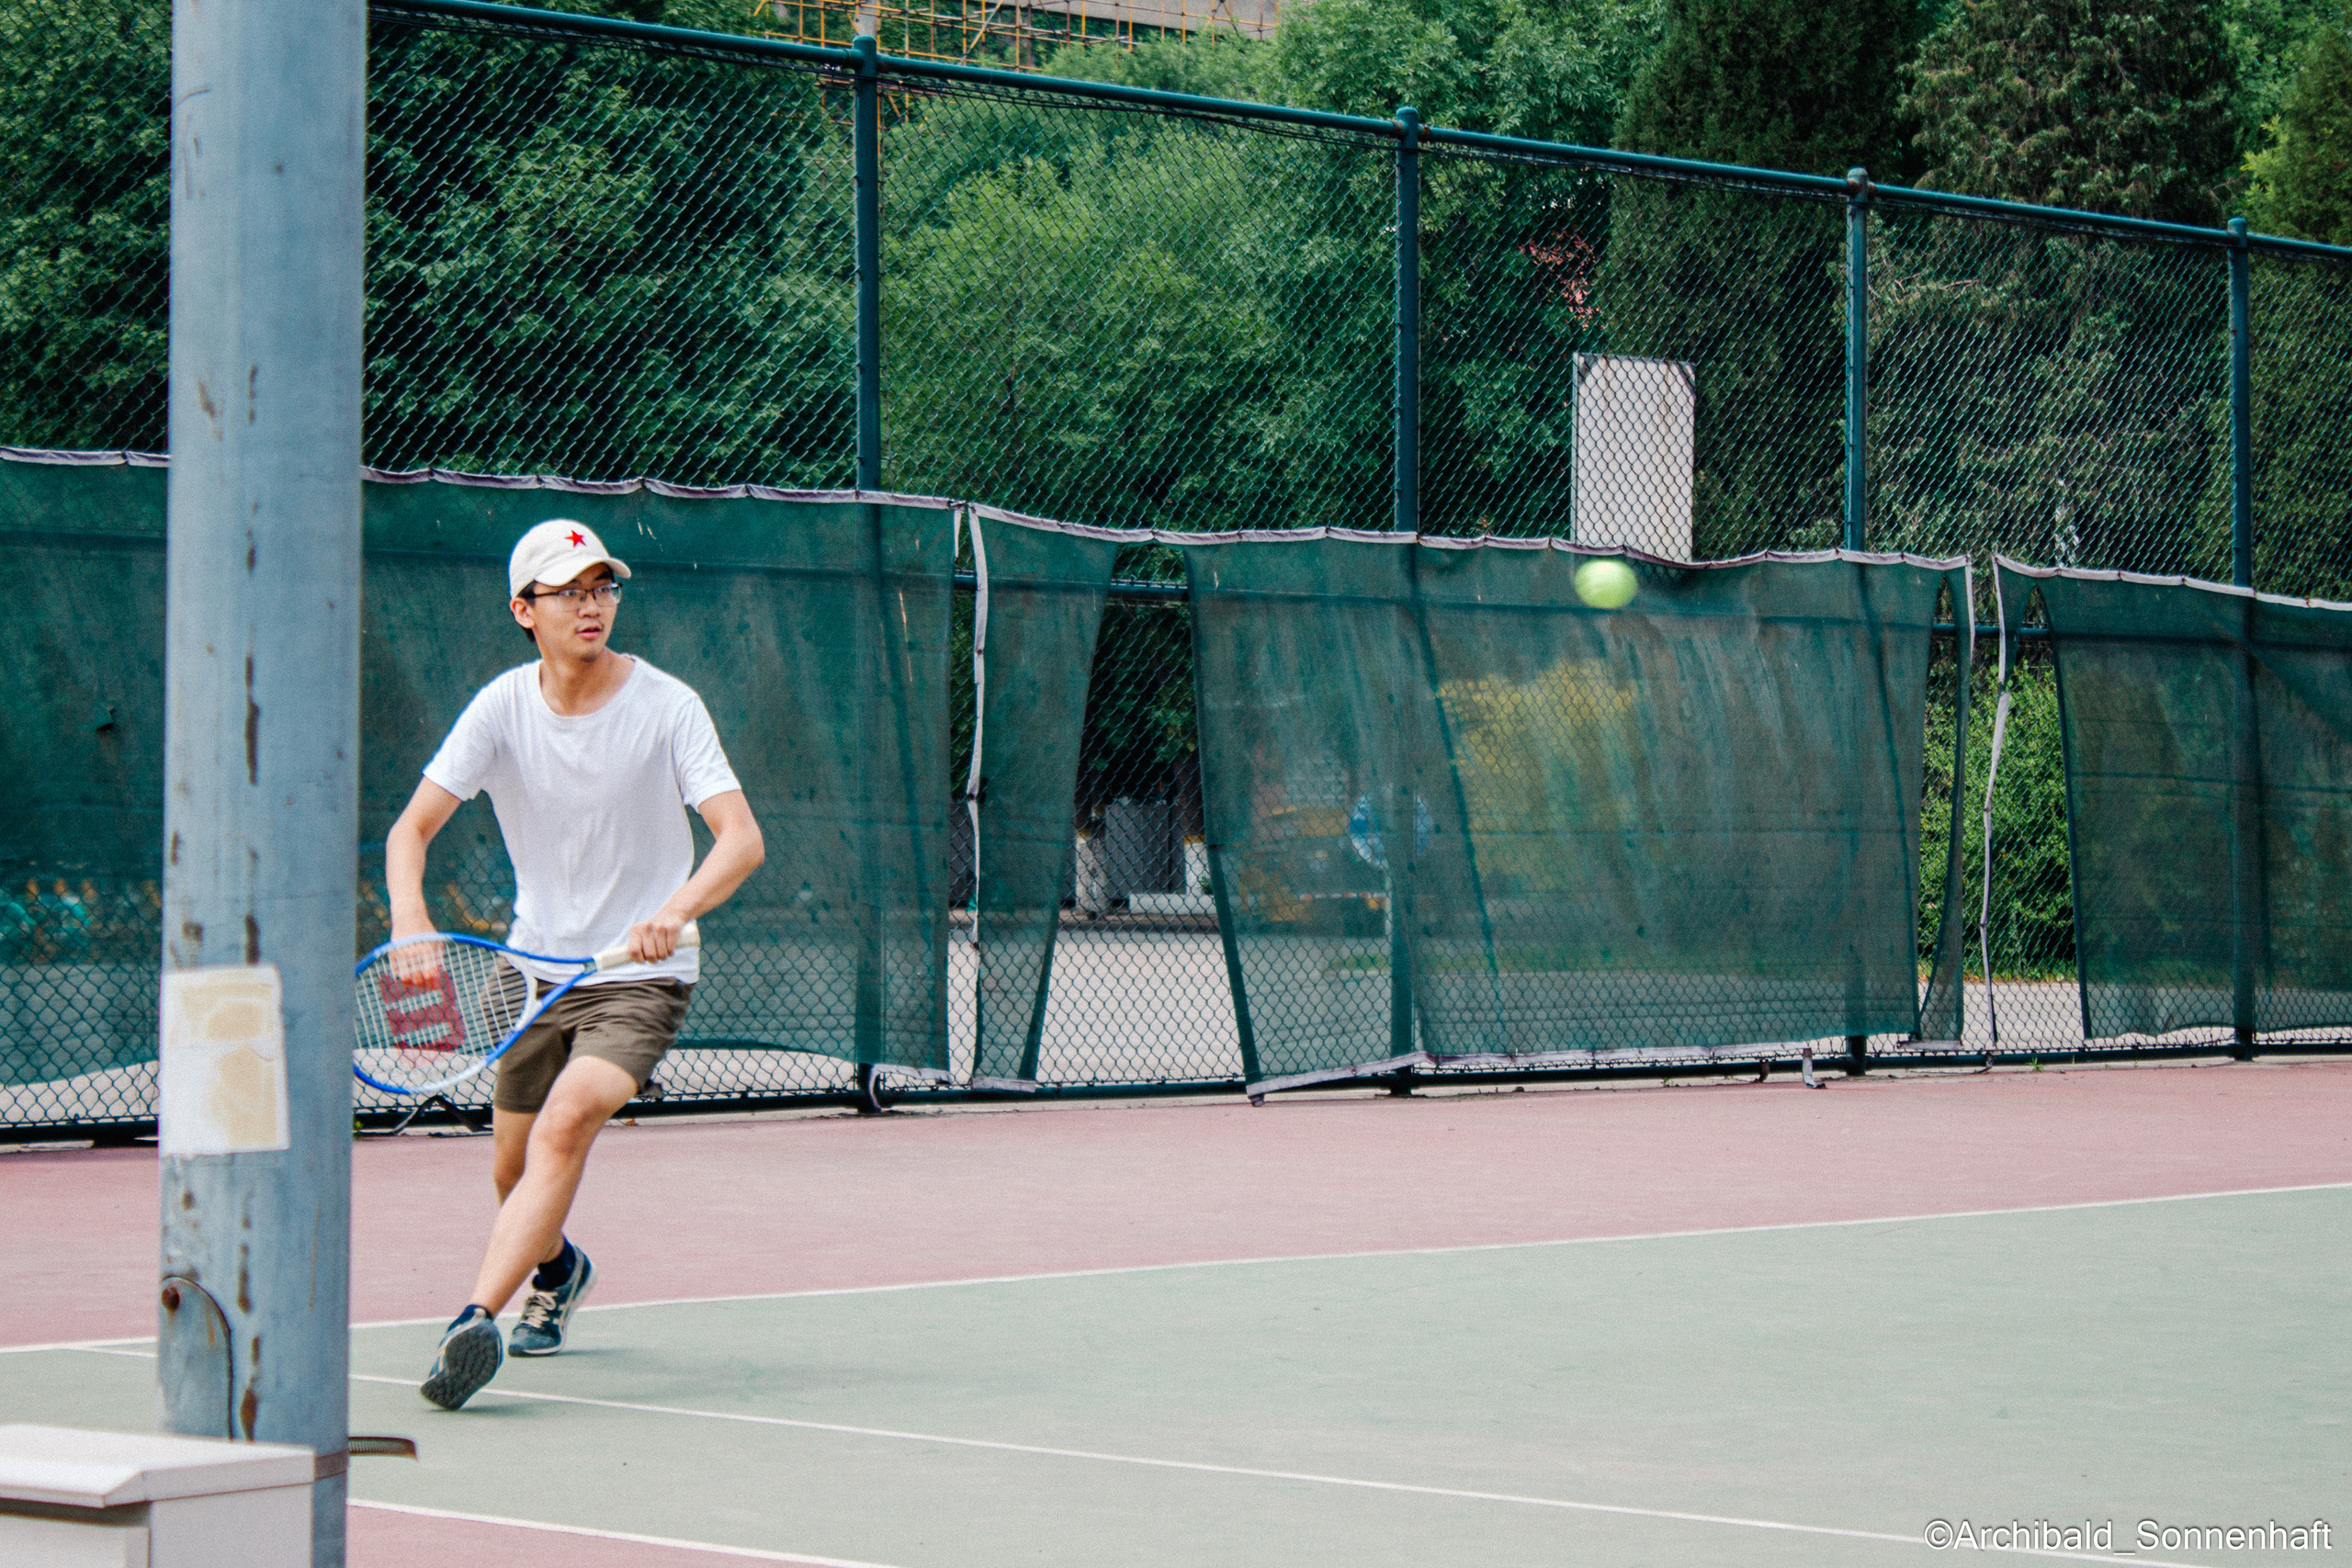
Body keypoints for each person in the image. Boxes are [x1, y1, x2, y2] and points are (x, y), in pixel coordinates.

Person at [385, 518, 764, 1411]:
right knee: (512, 1171)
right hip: (529, 967)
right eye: (570, 591)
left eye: (603, 587)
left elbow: (740, 840)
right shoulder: (501, 709)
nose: (592, 605)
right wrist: (411, 919)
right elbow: (412, 829)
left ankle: (473, 1319)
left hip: (637, 976)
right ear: (525, 609)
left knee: (564, 1127)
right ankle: (559, 1267)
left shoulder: (667, 705)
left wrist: (671, 913)